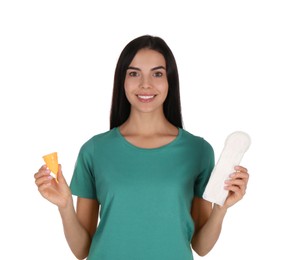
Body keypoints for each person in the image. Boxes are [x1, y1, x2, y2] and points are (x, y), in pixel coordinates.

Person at [34, 35, 249, 260]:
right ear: (122, 81)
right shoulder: (95, 150)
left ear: (170, 81)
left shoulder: (198, 151)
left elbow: (201, 246)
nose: (145, 84)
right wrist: (65, 206)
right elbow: (81, 251)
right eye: (134, 73)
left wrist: (222, 207)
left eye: (157, 74)